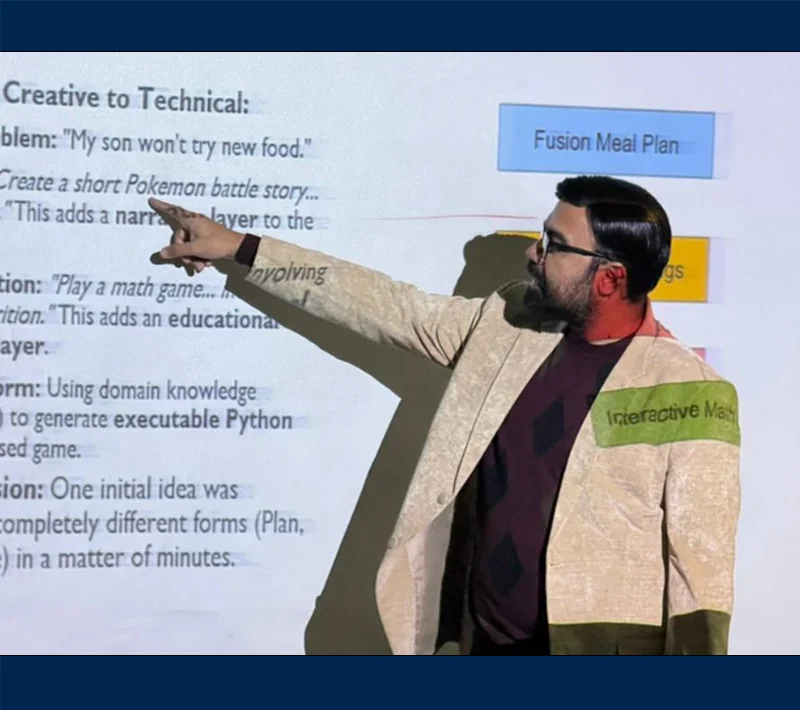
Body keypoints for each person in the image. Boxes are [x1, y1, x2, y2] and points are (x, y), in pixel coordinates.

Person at [149, 175, 741, 655]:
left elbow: (701, 578)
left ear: (610, 278)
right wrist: (240, 247)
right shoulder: (505, 325)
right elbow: (382, 304)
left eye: (554, 244)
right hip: (481, 646)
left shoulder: (689, 391)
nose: (534, 253)